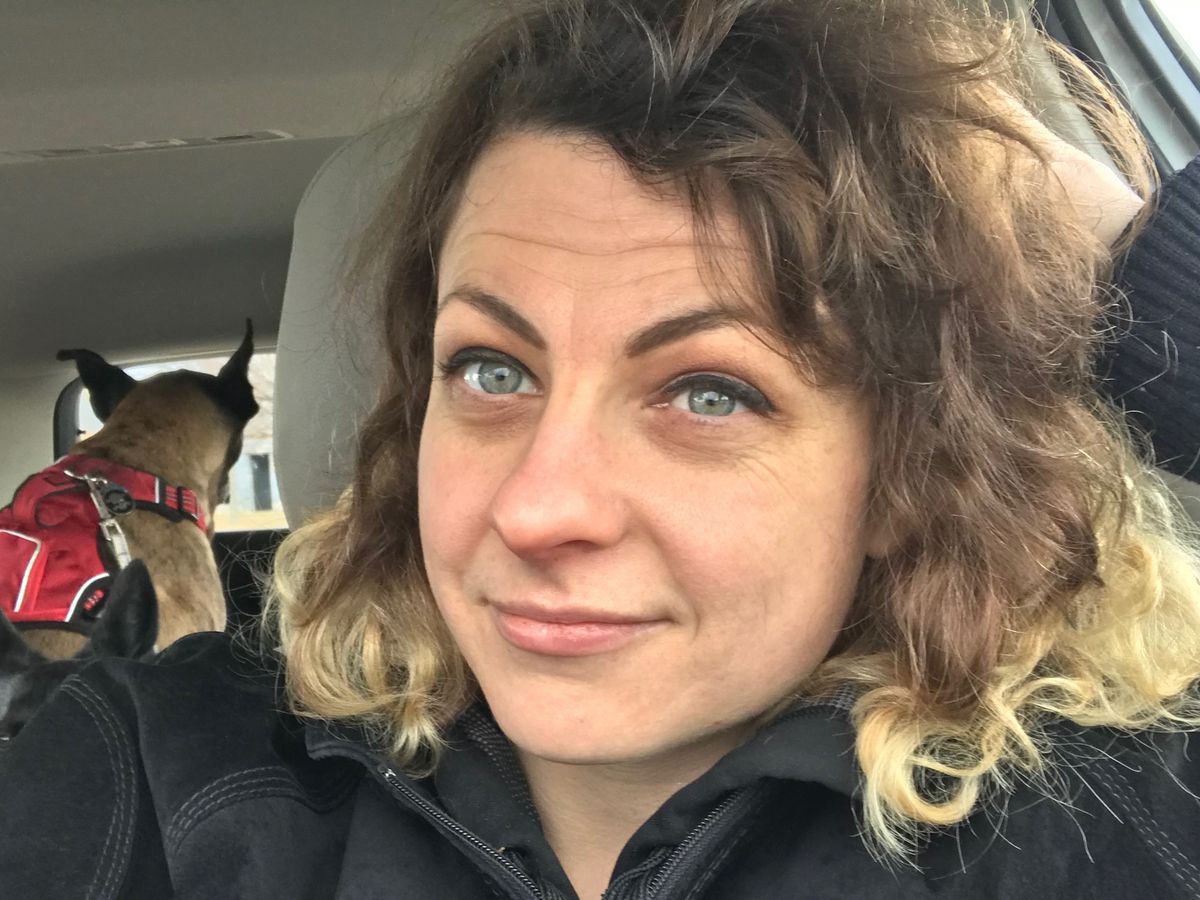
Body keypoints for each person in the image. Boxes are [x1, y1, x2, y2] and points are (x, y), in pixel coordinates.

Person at [4, 1, 1200, 897]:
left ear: (908, 472)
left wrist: (1123, 238)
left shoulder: (1112, 826)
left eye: (710, 393)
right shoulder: (157, 765)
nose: (537, 508)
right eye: (492, 372)